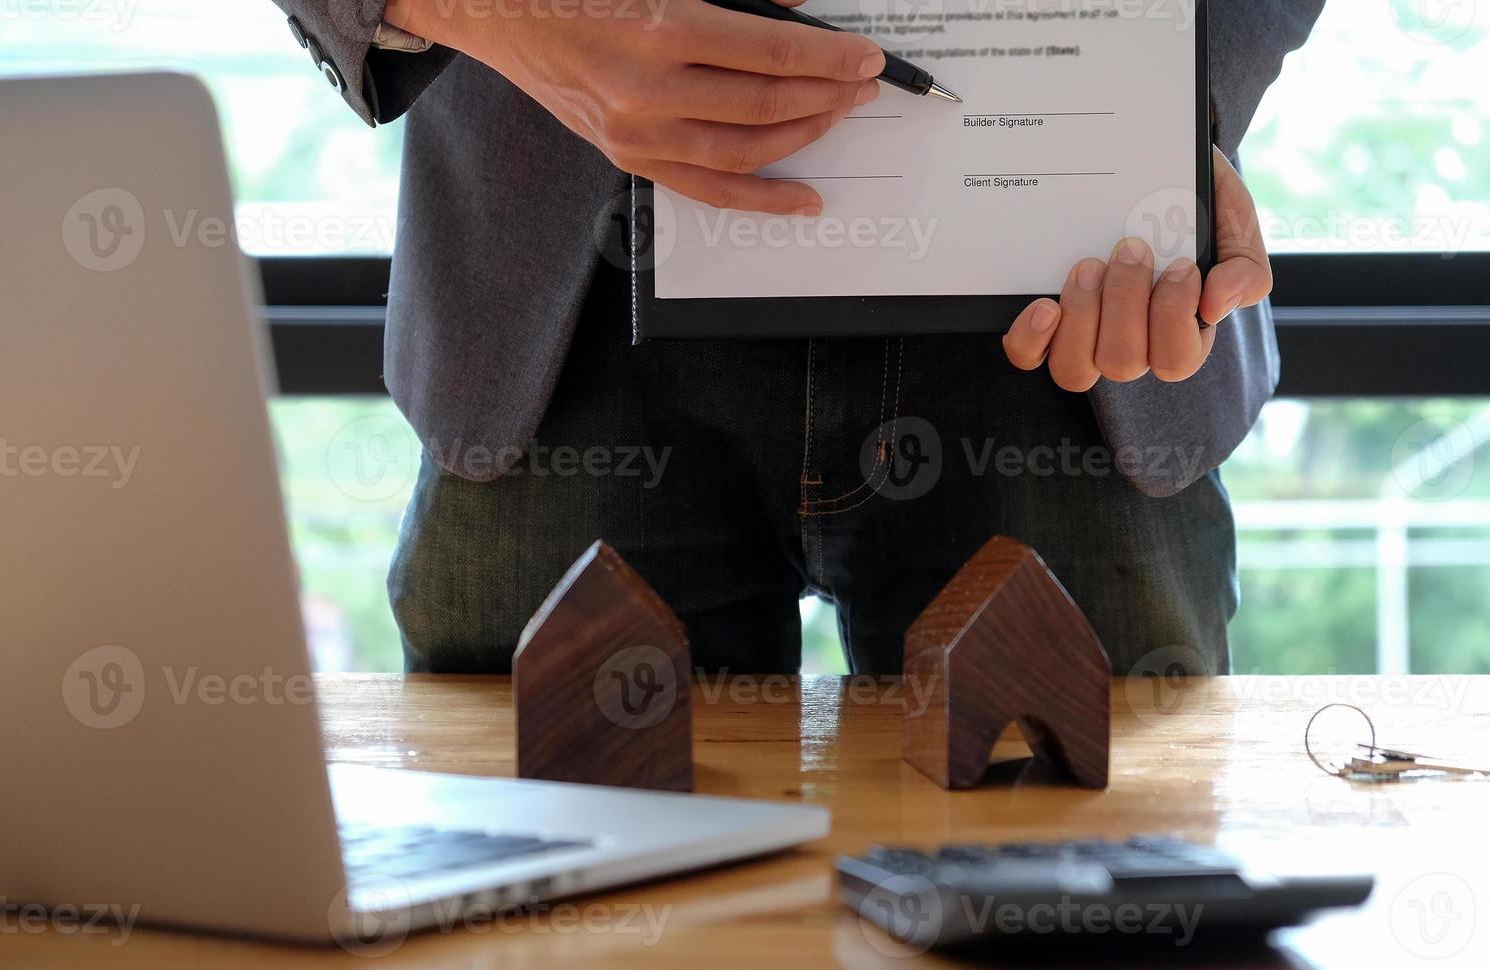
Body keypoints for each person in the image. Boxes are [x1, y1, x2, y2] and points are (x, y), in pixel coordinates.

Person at [271, 0, 1325, 675]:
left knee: (1096, 923)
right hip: (563, 313)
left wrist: (1166, 107)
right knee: (541, 932)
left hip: (1063, 302)